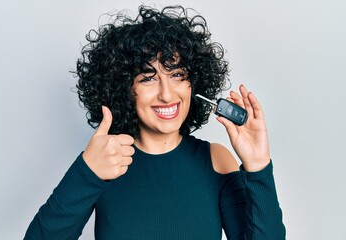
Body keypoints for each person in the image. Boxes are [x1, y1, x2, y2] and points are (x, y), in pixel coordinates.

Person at [24, 5, 286, 240]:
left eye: (177, 75)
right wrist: (86, 173)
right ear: (124, 88)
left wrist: (258, 167)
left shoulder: (216, 159)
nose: (167, 94)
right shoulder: (105, 161)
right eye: (148, 78)